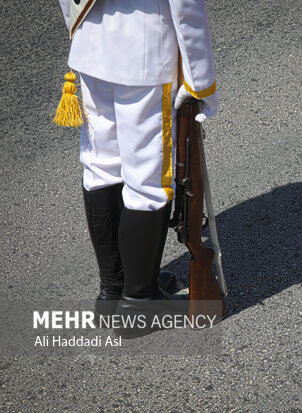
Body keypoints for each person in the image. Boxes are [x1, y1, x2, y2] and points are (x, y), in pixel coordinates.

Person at [57, 0, 219, 320]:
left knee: (101, 167)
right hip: (144, 50)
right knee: (148, 181)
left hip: (89, 41)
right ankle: (139, 301)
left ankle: (114, 291)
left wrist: (80, 33)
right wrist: (200, 79)